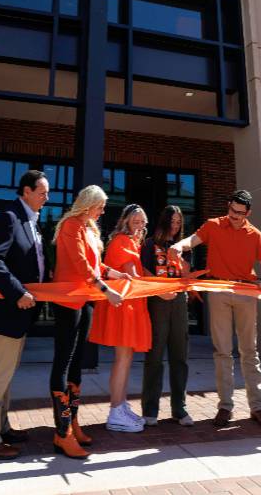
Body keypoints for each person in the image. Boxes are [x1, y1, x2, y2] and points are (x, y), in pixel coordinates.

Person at [168, 190, 261, 429]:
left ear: (248, 213)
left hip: (246, 293)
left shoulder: (255, 234)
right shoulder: (213, 225)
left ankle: (258, 407)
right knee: (223, 352)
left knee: (250, 351)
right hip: (218, 291)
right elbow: (192, 241)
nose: (235, 216)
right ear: (228, 206)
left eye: (240, 213)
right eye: (232, 211)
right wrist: (178, 245)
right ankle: (225, 407)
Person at [0, 170, 50, 460]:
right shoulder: (9, 217)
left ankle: (1, 427)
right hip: (2, 314)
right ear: (26, 191)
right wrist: (18, 292)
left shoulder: (30, 221)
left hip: (18, 317)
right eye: (42, 192)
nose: (46, 197)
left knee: (3, 378)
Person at [50, 185, 132, 458]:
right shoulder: (71, 225)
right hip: (67, 301)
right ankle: (62, 433)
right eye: (101, 206)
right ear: (88, 204)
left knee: (77, 363)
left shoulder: (89, 228)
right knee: (63, 361)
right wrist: (105, 289)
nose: (103, 211)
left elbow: (95, 265)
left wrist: (115, 274)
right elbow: (79, 263)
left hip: (85, 300)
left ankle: (72, 423)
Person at [89, 204, 152, 432]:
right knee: (123, 359)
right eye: (135, 220)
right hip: (124, 306)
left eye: (142, 221)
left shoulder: (132, 242)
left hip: (129, 305)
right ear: (125, 222)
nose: (139, 224)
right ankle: (116, 412)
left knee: (125, 358)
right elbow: (133, 277)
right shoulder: (123, 241)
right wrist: (161, 287)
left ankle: (121, 405)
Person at [141, 205, 193, 427]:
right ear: (163, 221)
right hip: (156, 301)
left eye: (178, 223)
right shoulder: (149, 244)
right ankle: (150, 409)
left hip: (180, 302)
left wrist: (179, 257)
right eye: (171, 222)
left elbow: (189, 274)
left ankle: (179, 409)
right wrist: (159, 291)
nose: (175, 226)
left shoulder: (185, 246)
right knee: (154, 356)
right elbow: (143, 271)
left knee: (179, 356)